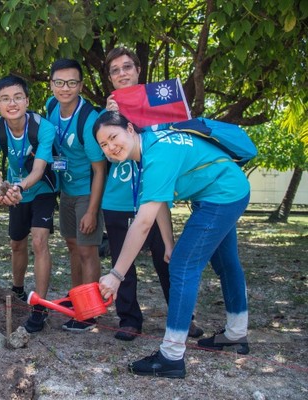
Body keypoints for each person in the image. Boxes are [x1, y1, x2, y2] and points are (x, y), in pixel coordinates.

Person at [94, 111, 251, 378]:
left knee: (182, 267)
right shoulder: (150, 146)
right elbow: (160, 204)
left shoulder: (157, 154)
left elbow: (143, 223)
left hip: (223, 194)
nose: (111, 147)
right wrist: (168, 242)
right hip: (224, 189)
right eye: (103, 145)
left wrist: (116, 274)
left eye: (113, 137)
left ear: (130, 129)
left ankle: (171, 355)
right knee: (224, 263)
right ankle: (236, 335)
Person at [103, 47, 203, 341]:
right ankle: (129, 320)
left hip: (155, 197)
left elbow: (178, 138)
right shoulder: (107, 112)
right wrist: (113, 116)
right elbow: (108, 157)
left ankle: (183, 318)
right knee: (124, 261)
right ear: (110, 77)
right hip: (118, 199)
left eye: (127, 67)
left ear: (137, 70)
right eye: (115, 70)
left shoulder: (158, 105)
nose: (122, 73)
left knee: (166, 257)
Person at [0, 75, 57, 333]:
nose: (11, 103)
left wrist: (18, 187)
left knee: (39, 241)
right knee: (16, 243)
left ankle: (40, 305)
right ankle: (17, 290)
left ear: (27, 100)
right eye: (5, 98)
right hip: (14, 189)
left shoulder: (44, 127)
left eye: (17, 97)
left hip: (41, 188)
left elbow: (38, 170)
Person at [45, 59, 106, 332]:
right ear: (51, 84)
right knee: (72, 245)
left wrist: (92, 210)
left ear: (80, 85)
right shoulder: (50, 107)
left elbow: (100, 169)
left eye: (71, 83)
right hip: (65, 190)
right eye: (59, 82)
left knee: (87, 250)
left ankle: (90, 312)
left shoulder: (88, 119)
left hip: (86, 192)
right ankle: (76, 297)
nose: (65, 88)